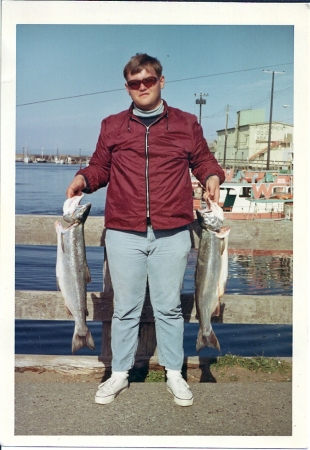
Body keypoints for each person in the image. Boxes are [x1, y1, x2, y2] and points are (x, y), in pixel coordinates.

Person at [66, 53, 225, 407]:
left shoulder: (186, 123)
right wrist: (83, 179)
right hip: (124, 231)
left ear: (161, 82)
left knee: (169, 307)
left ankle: (174, 373)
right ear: (127, 88)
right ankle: (119, 373)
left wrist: (212, 176)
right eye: (135, 83)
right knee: (125, 307)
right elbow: (100, 167)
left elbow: (204, 160)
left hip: (172, 231)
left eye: (148, 81)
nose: (142, 88)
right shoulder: (112, 125)